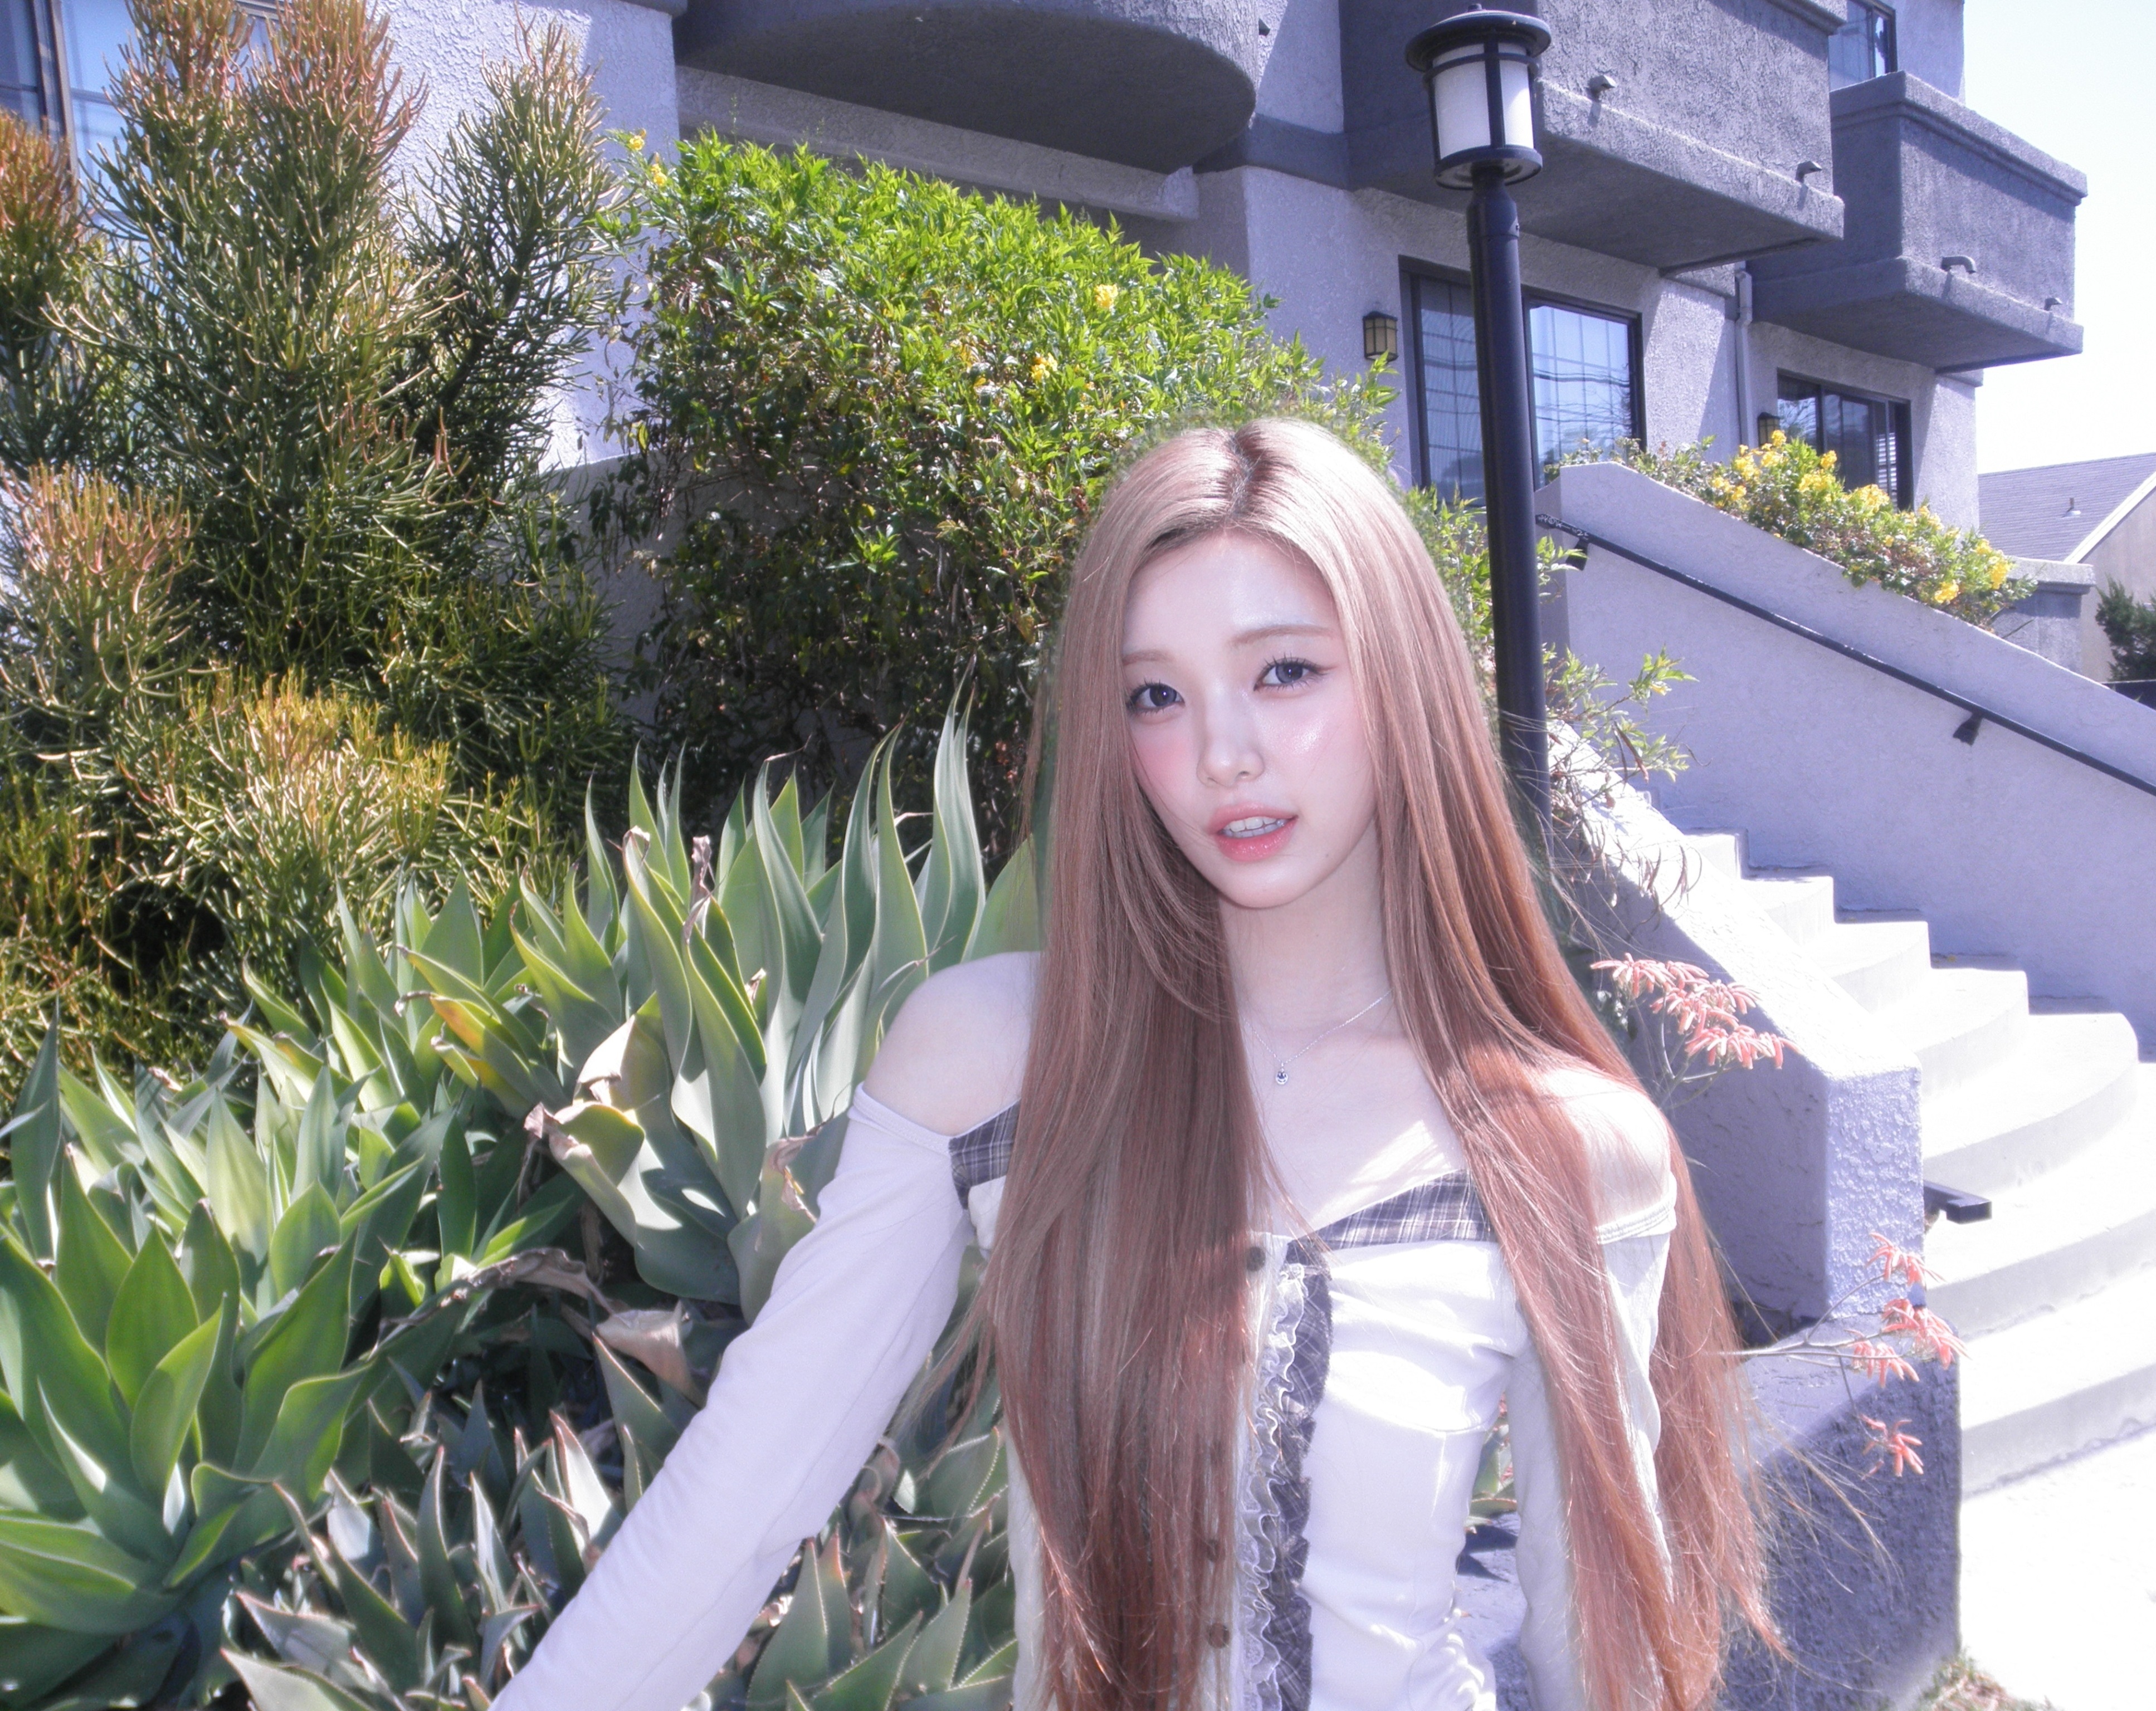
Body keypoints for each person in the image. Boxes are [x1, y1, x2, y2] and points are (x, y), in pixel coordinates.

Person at [494, 419, 1768, 1711]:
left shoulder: (1564, 1145)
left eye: (1284, 671)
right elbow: (737, 1499)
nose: (1221, 752)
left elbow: (1606, 1653)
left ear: (1405, 681)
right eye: (1154, 695)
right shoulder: (991, 1060)